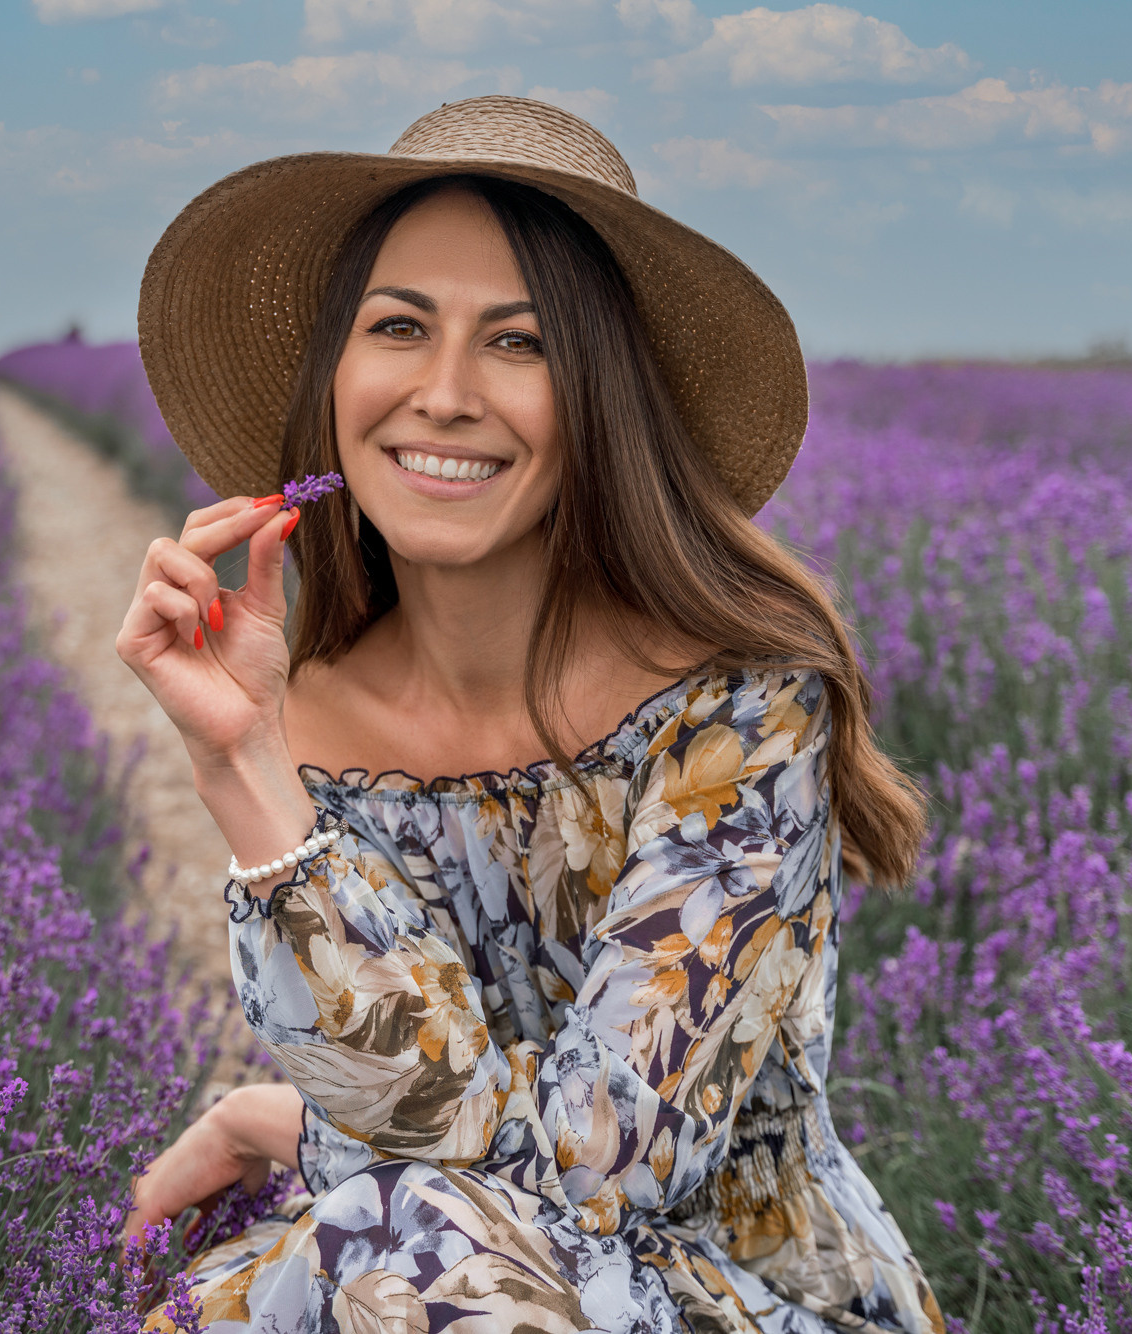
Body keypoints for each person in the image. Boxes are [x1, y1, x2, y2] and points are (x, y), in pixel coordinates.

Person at [115, 95, 944, 1334]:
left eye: (520, 342)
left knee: (393, 1252)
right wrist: (243, 758)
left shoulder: (735, 707)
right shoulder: (305, 711)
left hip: (732, 1295)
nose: (443, 394)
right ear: (335, 374)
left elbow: (592, 1176)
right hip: (426, 1265)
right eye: (398, 326)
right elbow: (428, 1170)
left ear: (600, 395)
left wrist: (290, 1121)